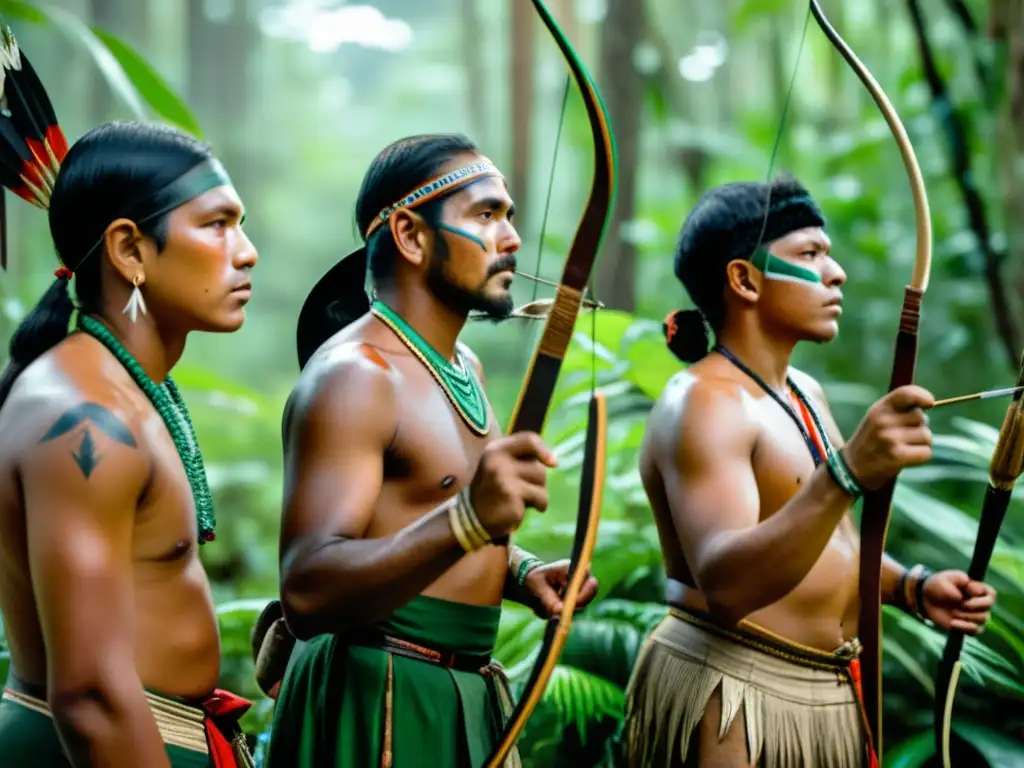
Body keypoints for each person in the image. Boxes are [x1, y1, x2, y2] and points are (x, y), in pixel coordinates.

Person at [623, 176, 998, 768]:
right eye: (810, 254)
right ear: (744, 279)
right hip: (735, 699)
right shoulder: (702, 400)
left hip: (825, 696)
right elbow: (726, 587)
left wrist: (911, 587)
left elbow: (822, 541)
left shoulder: (802, 390)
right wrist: (848, 472)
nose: (837, 271)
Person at [261, 133, 599, 768]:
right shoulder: (356, 376)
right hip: (376, 700)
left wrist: (521, 572)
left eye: (510, 216)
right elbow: (308, 589)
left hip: (457, 696)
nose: (512, 238)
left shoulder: (460, 363)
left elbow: (426, 518)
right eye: (485, 214)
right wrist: (469, 519)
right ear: (411, 235)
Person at [0, 26, 259, 768]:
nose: (246, 251)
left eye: (240, 223)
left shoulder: (126, 387)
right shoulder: (81, 414)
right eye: (217, 224)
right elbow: (90, 698)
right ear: (129, 250)